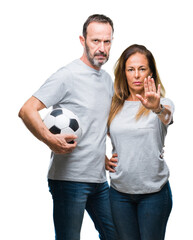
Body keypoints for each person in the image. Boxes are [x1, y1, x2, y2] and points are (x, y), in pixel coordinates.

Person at [19, 14, 118, 240]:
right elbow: (27, 110)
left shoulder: (106, 80)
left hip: (99, 181)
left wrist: (101, 156)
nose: (101, 48)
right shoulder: (67, 75)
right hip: (69, 180)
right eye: (95, 41)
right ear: (83, 41)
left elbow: (94, 123)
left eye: (107, 41)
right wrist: (49, 139)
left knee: (116, 234)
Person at [106, 44, 174, 240]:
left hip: (154, 193)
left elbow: (167, 116)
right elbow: (94, 134)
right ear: (124, 72)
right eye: (131, 69)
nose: (136, 75)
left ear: (150, 72)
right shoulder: (113, 106)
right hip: (119, 194)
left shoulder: (164, 104)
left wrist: (157, 107)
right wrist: (102, 159)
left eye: (142, 69)